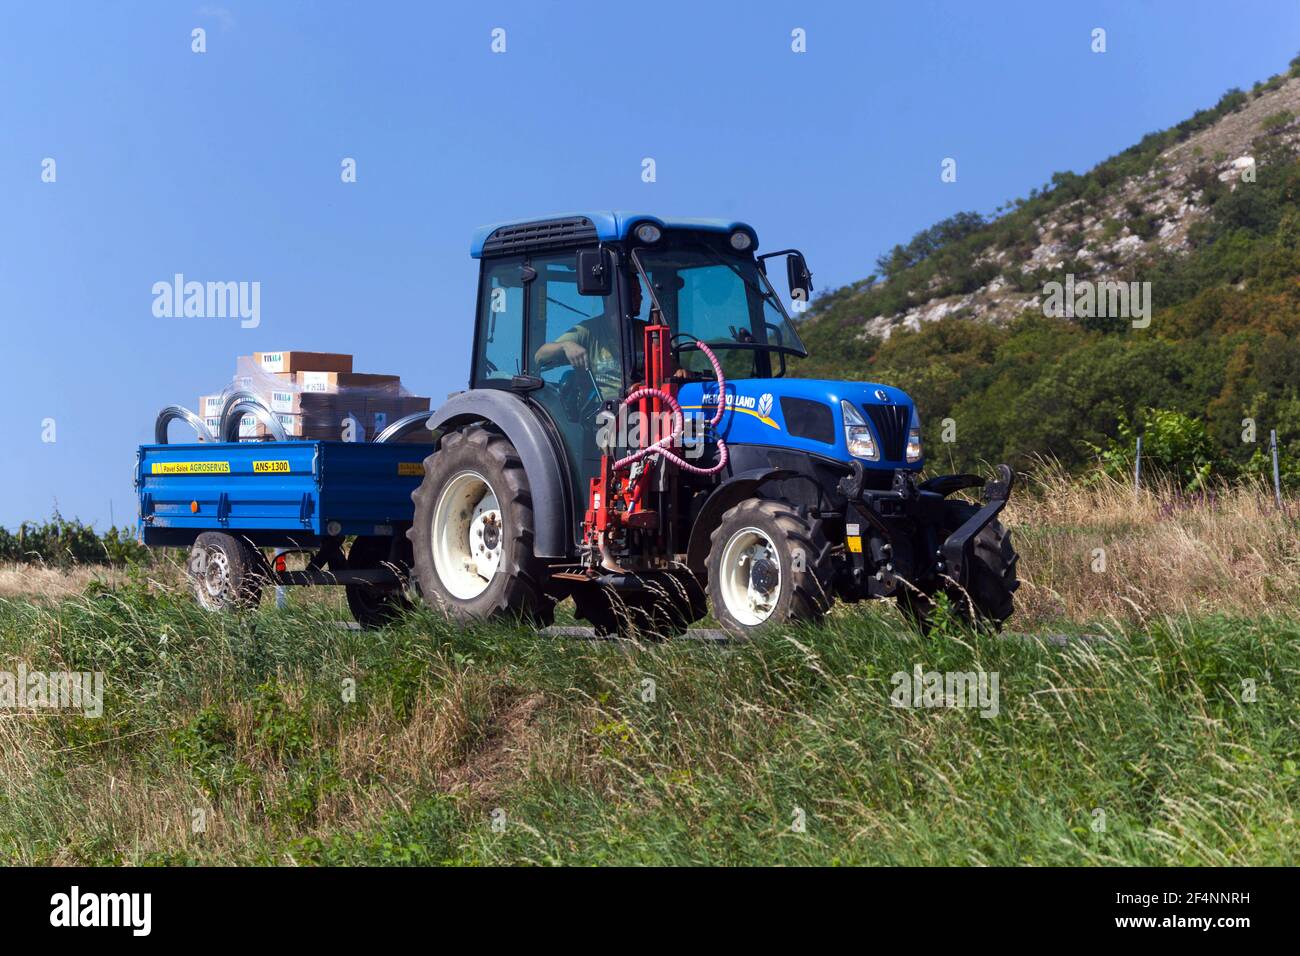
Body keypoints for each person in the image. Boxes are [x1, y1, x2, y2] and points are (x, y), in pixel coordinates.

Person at [534, 274, 643, 400]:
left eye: (639, 293)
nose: (640, 298)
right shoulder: (588, 332)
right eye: (634, 292)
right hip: (602, 412)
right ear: (611, 298)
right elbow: (539, 356)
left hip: (643, 407)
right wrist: (566, 346)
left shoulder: (648, 332)